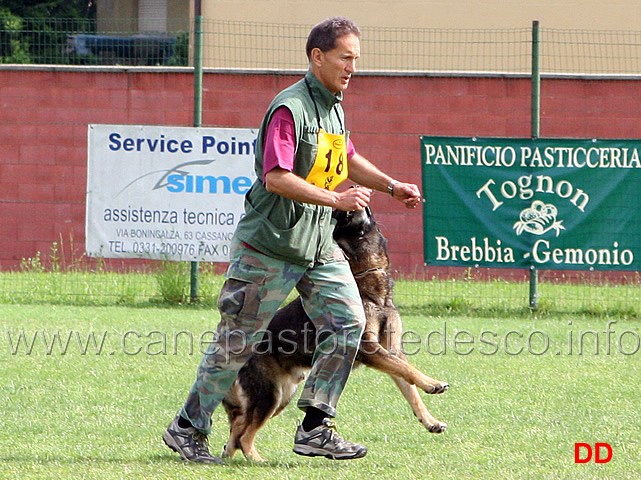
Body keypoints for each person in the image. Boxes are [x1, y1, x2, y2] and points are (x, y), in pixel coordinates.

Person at [163, 16, 422, 464]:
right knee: (237, 341)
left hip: (319, 246)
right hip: (269, 246)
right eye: (345, 58)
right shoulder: (290, 108)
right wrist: (335, 200)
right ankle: (187, 428)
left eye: (356, 59)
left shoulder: (333, 105)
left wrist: (390, 185)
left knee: (348, 324)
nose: (353, 68)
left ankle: (316, 426)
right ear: (317, 56)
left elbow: (348, 157)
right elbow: (277, 177)